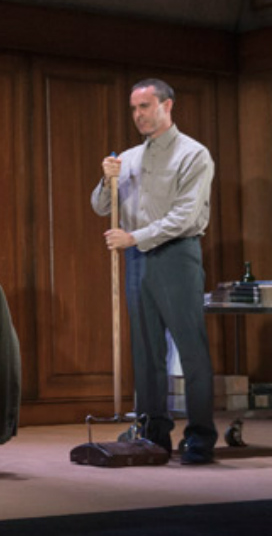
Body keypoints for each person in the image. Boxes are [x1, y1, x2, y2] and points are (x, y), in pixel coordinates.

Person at [91, 78, 217, 465]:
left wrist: (134, 237)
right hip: (138, 259)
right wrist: (107, 179)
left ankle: (200, 436)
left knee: (190, 348)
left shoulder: (193, 154)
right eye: (134, 108)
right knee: (146, 350)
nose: (138, 115)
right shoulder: (128, 158)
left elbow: (185, 216)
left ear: (167, 106)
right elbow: (100, 206)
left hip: (177, 254)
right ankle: (153, 432)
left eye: (145, 106)